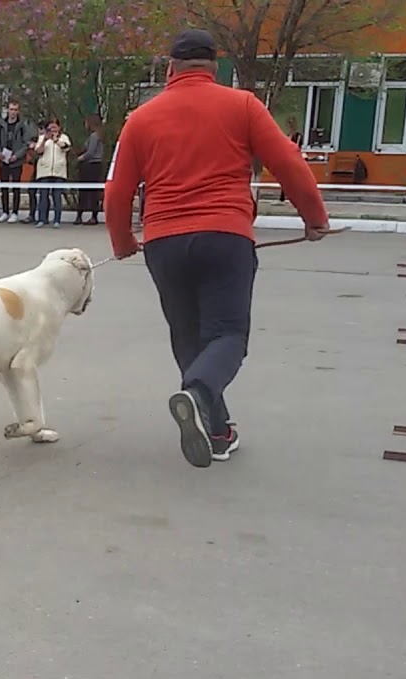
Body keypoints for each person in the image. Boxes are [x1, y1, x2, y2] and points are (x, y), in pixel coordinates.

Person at [103, 28, 330, 469]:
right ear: (215, 68)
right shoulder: (242, 104)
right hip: (225, 235)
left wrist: (123, 242)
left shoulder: (141, 119)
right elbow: (288, 162)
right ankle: (201, 396)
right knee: (227, 335)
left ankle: (218, 431)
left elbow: (117, 192)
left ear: (169, 69)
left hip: (164, 241)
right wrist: (314, 218)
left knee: (188, 336)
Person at [32, 118, 70, 228]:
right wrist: (44, 140)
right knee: (43, 196)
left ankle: (57, 220)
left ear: (59, 127)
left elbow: (66, 147)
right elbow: (38, 151)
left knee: (57, 196)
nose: (52, 129)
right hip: (44, 171)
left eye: (54, 127)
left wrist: (56, 140)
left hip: (58, 172)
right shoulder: (42, 138)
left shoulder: (64, 138)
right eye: (50, 127)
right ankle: (42, 219)